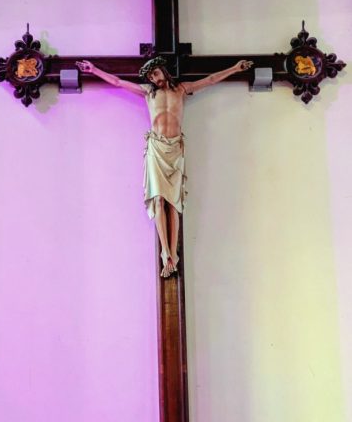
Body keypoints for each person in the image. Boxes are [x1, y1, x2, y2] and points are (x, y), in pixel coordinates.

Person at [76, 56, 253, 277]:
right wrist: (94, 70)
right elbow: (118, 82)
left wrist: (235, 68)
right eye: (150, 77)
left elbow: (210, 80)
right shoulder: (148, 93)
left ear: (163, 70)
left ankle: (174, 255)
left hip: (175, 150)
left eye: (155, 73)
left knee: (174, 203)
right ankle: (166, 253)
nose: (153, 78)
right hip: (156, 149)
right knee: (159, 198)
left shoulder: (181, 89)